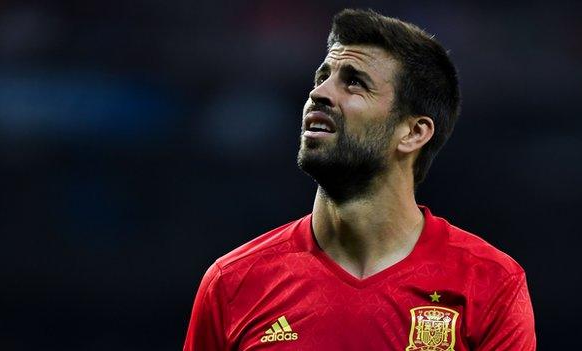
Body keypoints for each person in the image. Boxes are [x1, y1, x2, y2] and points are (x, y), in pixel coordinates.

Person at [183, 8, 536, 351]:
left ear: (413, 132)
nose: (319, 94)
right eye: (322, 78)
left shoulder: (489, 282)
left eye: (354, 83)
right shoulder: (233, 283)